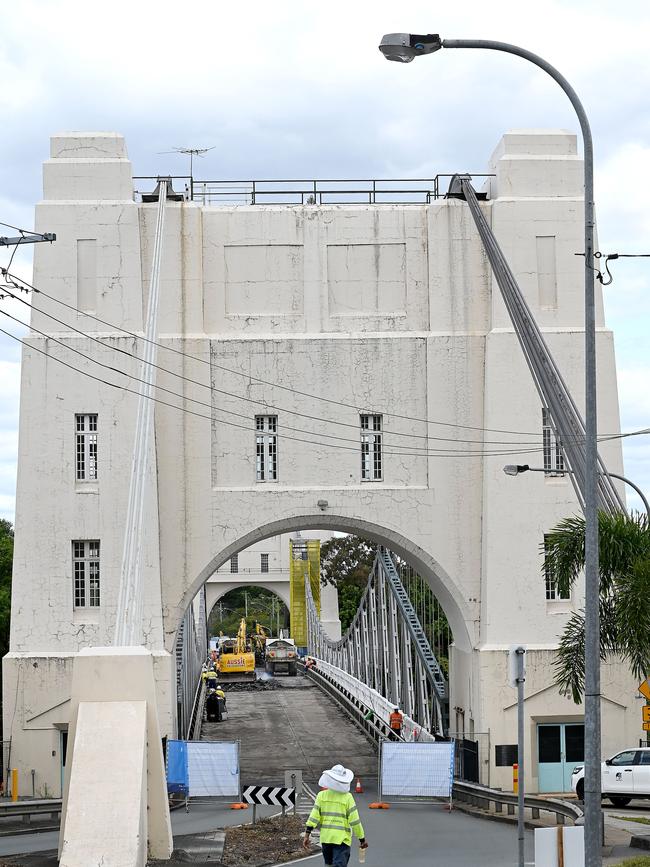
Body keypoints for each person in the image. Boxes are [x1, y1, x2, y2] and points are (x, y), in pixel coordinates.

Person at [303, 763, 368, 867]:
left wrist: (307, 834)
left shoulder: (321, 796)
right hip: (342, 841)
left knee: (328, 865)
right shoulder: (347, 797)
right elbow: (355, 821)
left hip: (326, 839)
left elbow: (313, 817)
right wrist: (362, 839)